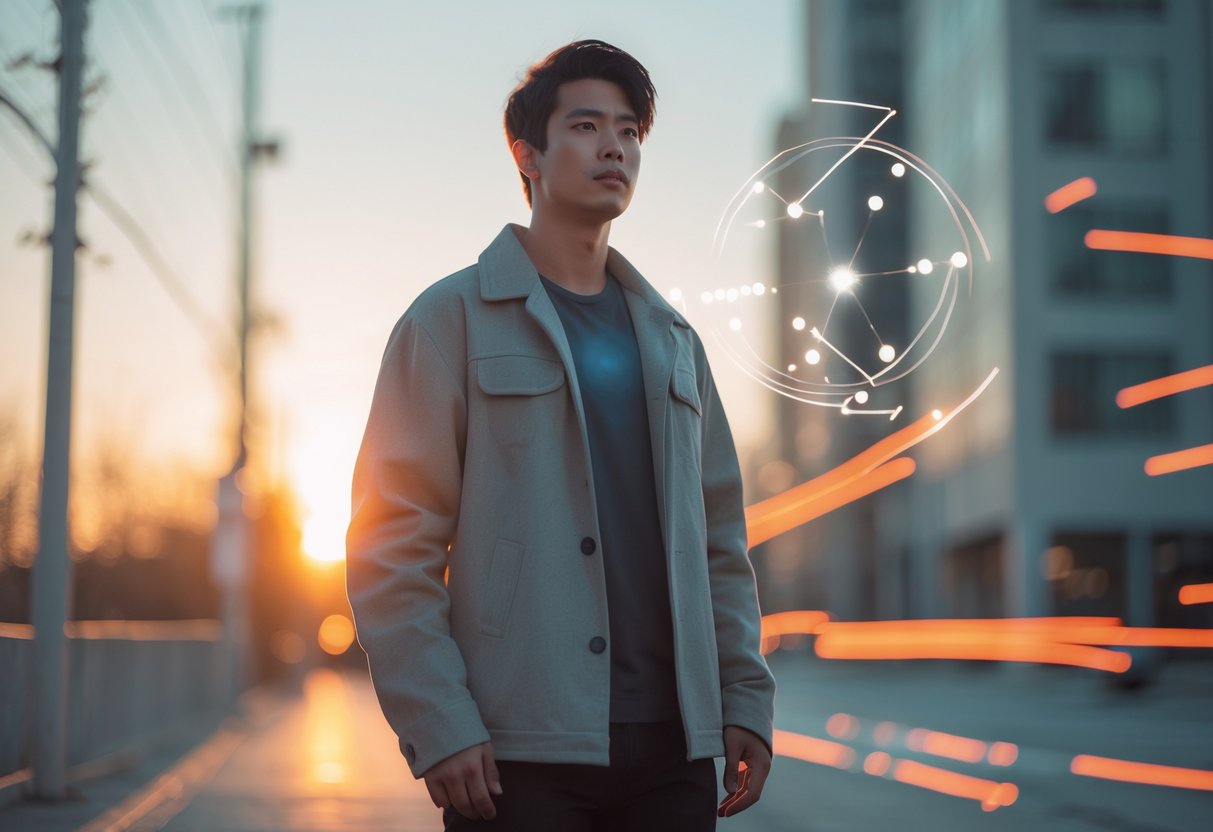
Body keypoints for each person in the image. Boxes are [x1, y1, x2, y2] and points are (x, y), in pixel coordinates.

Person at [346, 39, 776, 830]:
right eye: (585, 125)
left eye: (629, 132)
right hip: (517, 753)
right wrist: (439, 722)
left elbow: (720, 544)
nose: (614, 145)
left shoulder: (674, 341)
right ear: (527, 155)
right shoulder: (448, 323)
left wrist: (742, 695)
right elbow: (389, 546)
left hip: (674, 751)